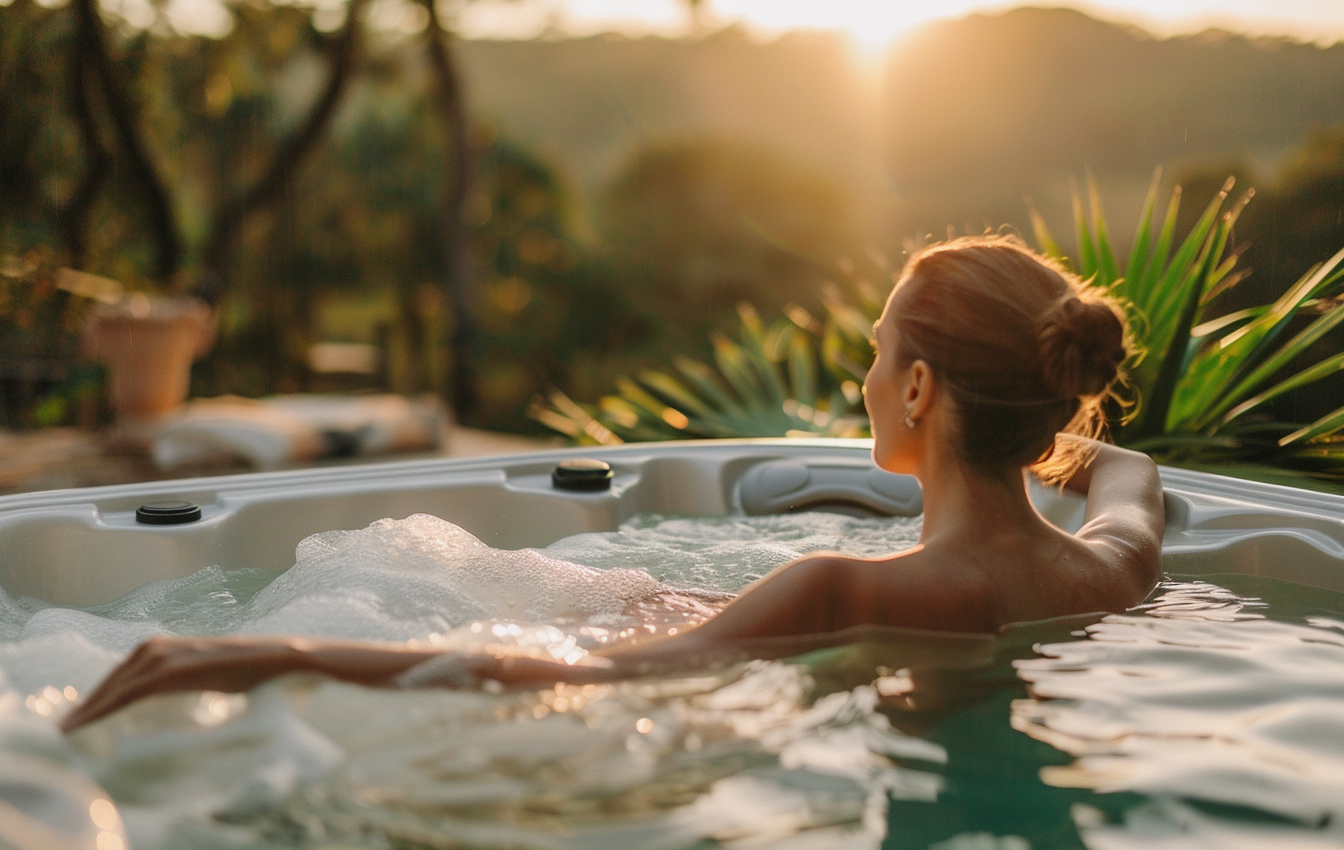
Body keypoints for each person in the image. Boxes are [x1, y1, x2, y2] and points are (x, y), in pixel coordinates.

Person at [61, 235, 1163, 732]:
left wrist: (277, 648)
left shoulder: (842, 588)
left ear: (917, 387)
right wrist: (1046, 455)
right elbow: (1131, 473)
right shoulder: (1112, 567)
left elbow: (554, 680)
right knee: (639, 597)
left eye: (878, 352)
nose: (863, 375)